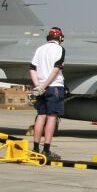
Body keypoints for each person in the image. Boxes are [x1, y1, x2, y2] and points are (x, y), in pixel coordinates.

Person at [30, 27, 66, 158]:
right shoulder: (60, 49)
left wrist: (38, 86)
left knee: (41, 116)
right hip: (54, 87)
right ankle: (46, 150)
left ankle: (34, 149)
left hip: (40, 88)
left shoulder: (40, 49)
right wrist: (45, 85)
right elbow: (56, 70)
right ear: (60, 38)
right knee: (52, 117)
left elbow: (32, 69)